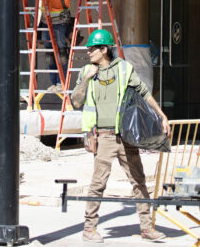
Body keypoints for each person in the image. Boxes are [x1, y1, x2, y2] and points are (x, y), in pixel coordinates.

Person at [70, 29, 169, 243]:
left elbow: (144, 92)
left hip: (125, 136)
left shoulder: (124, 69)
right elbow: (76, 101)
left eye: (92, 49)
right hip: (103, 137)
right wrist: (86, 79)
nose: (89, 53)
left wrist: (162, 116)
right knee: (98, 183)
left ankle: (147, 227)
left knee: (139, 181)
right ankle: (89, 229)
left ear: (104, 50)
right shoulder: (87, 71)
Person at [37, 0, 77, 94]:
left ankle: (62, 82)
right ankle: (54, 82)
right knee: (49, 53)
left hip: (60, 23)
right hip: (46, 23)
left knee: (61, 52)